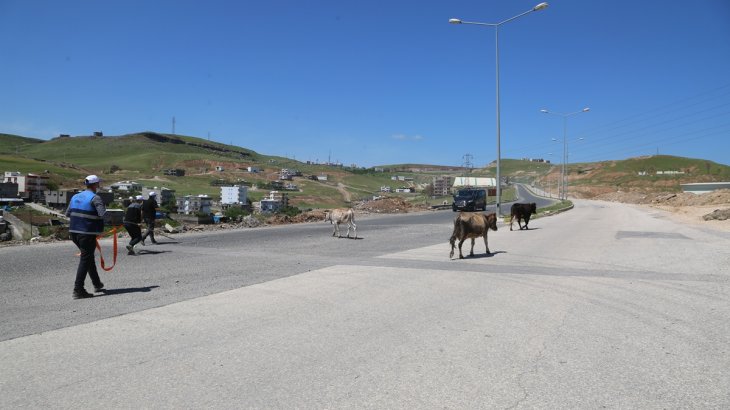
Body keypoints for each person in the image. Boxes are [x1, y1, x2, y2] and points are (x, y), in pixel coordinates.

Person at [66, 175, 106, 299]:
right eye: (98, 183)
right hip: (87, 233)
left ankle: (97, 283)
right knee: (85, 258)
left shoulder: (75, 196)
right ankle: (78, 289)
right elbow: (102, 214)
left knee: (88, 257)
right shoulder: (95, 198)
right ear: (96, 185)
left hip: (74, 233)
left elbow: (68, 213)